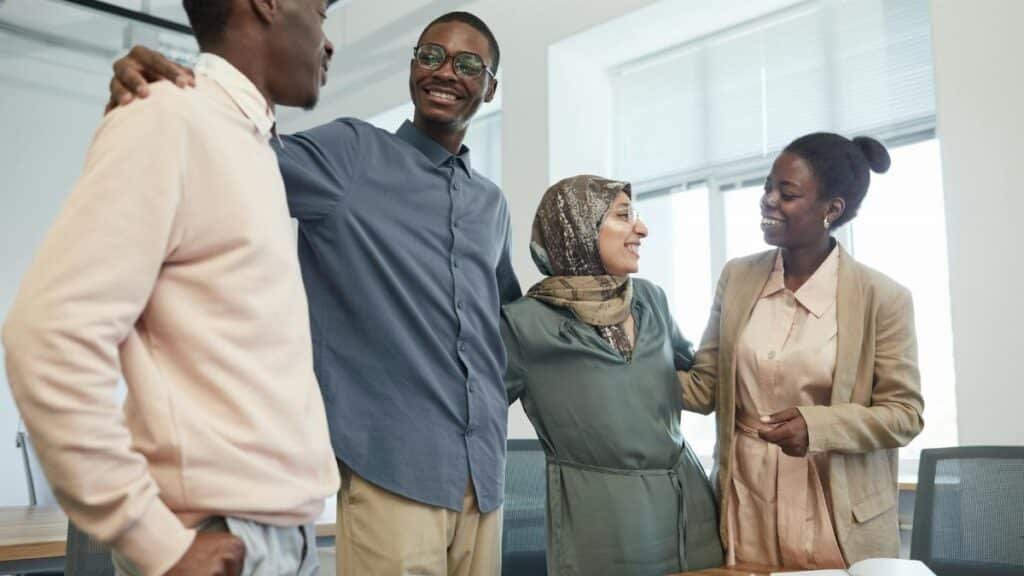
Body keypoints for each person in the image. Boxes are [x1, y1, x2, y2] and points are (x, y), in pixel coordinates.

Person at [105, 11, 520, 576]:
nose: (445, 71)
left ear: (490, 87)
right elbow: (237, 152)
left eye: (468, 64)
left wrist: (497, 405)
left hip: (485, 480)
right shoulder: (351, 155)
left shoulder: (491, 205)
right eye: (431, 56)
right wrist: (165, 93)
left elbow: (501, 320)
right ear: (413, 68)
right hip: (392, 470)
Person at [2, 1, 340, 574]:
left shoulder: (248, 142)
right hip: (217, 537)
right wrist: (154, 540)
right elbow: (48, 338)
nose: (328, 42)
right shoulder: (168, 118)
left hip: (283, 536)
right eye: (319, 11)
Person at [680, 133, 925, 569]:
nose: (767, 200)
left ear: (832, 209)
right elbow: (705, 388)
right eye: (767, 187)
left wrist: (818, 426)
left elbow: (905, 414)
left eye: (786, 193)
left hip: (834, 507)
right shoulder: (737, 278)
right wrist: (624, 354)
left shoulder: (882, 296)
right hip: (744, 500)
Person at [502, 175, 724, 576]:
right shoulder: (524, 324)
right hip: (603, 521)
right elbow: (468, 411)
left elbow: (699, 380)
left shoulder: (651, 298)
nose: (641, 229)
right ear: (580, 228)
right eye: (624, 216)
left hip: (690, 509)